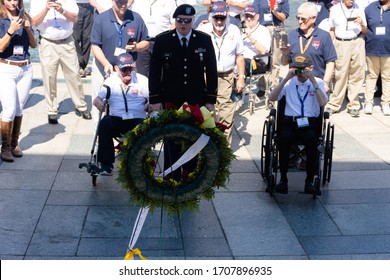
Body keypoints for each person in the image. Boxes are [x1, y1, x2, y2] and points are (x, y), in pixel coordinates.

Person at [148, 4, 218, 180]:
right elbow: (155, 71)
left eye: (187, 21)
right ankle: (171, 179)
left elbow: (211, 71)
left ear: (193, 21)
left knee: (192, 140)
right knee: (171, 141)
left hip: (196, 100)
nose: (183, 24)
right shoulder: (163, 40)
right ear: (175, 21)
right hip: (171, 99)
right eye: (180, 20)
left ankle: (189, 178)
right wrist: (155, 98)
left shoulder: (203, 40)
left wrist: (211, 99)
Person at [268, 54, 328, 195]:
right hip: (290, 122)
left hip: (310, 124)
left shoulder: (318, 82)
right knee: (283, 140)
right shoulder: (288, 82)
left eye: (303, 69)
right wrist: (286, 79)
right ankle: (283, 180)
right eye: (297, 69)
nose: (300, 73)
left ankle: (309, 181)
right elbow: (272, 97)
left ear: (311, 68)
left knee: (312, 141)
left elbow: (323, 103)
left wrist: (312, 80)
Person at [30, 0, 92, 124]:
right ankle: (52, 110)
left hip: (67, 41)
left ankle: (81, 105)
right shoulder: (37, 2)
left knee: (74, 75)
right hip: (48, 42)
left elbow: (75, 18)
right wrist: (46, 9)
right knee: (49, 77)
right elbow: (34, 23)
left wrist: (62, 10)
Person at [90, 0, 149, 122]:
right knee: (99, 103)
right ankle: (100, 135)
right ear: (112, 1)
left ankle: (125, 136)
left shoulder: (136, 18)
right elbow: (95, 46)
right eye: (119, 2)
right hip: (104, 67)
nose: (123, 5)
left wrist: (137, 47)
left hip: (128, 70)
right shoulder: (101, 19)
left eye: (125, 2)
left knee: (127, 105)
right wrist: (106, 64)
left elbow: (146, 42)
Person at [197, 1, 245, 145]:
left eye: (222, 18)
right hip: (206, 75)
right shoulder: (203, 30)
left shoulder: (234, 30)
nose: (219, 21)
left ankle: (224, 150)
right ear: (211, 16)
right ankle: (205, 148)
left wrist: (241, 77)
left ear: (227, 16)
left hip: (226, 76)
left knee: (226, 114)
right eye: (216, 17)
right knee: (206, 112)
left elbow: (240, 56)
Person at [93, 53, 148, 175]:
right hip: (116, 119)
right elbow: (97, 99)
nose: (128, 72)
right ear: (117, 68)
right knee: (104, 124)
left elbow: (153, 100)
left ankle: (140, 163)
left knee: (144, 126)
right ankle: (106, 165)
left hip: (137, 119)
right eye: (124, 69)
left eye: (130, 69)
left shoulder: (143, 80)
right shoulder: (110, 81)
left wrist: (148, 105)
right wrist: (99, 104)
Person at [0, 0, 37, 162]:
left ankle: (14, 143)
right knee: (8, 109)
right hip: (6, 67)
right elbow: (0, 48)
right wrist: (10, 31)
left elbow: (34, 45)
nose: (13, 2)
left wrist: (28, 29)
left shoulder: (25, 16)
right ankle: (5, 147)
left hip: (25, 67)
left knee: (19, 108)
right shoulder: (1, 19)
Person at [280, 2, 336, 94]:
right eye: (298, 18)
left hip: (316, 83)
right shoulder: (292, 35)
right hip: (295, 83)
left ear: (314, 18)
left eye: (303, 19)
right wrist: (285, 53)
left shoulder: (324, 36)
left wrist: (325, 83)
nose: (300, 21)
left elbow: (330, 62)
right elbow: (284, 62)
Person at [324, 0, 367, 118]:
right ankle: (334, 104)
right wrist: (329, 46)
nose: (351, 1)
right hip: (341, 42)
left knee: (357, 73)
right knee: (340, 74)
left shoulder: (359, 8)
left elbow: (365, 30)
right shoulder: (335, 9)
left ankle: (354, 104)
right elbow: (332, 29)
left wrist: (361, 23)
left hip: (357, 41)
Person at [253, 0, 289, 107]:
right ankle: (262, 86)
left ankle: (274, 85)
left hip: (277, 29)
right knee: (261, 58)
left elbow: (284, 17)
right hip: (262, 29)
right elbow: (254, 12)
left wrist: (275, 11)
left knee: (275, 60)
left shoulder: (283, 1)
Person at [131, 0, 177, 77]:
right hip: (142, 43)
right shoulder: (135, 2)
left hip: (162, 43)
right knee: (141, 75)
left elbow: (175, 22)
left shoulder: (170, 1)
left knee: (163, 73)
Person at [363, 0, 390, 116]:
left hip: (388, 49)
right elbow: (364, 27)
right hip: (372, 48)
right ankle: (368, 102)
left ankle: (385, 103)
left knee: (387, 77)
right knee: (371, 76)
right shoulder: (369, 8)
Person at [241, 4, 271, 96]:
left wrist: (250, 37)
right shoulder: (240, 30)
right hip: (242, 61)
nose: (249, 19)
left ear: (257, 16)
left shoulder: (263, 30)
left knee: (242, 62)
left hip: (258, 62)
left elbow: (263, 51)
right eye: (246, 16)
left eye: (251, 16)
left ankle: (238, 89)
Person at [73, 0, 94, 77]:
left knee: (88, 38)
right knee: (75, 37)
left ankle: (83, 66)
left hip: (90, 6)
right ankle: (79, 63)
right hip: (76, 5)